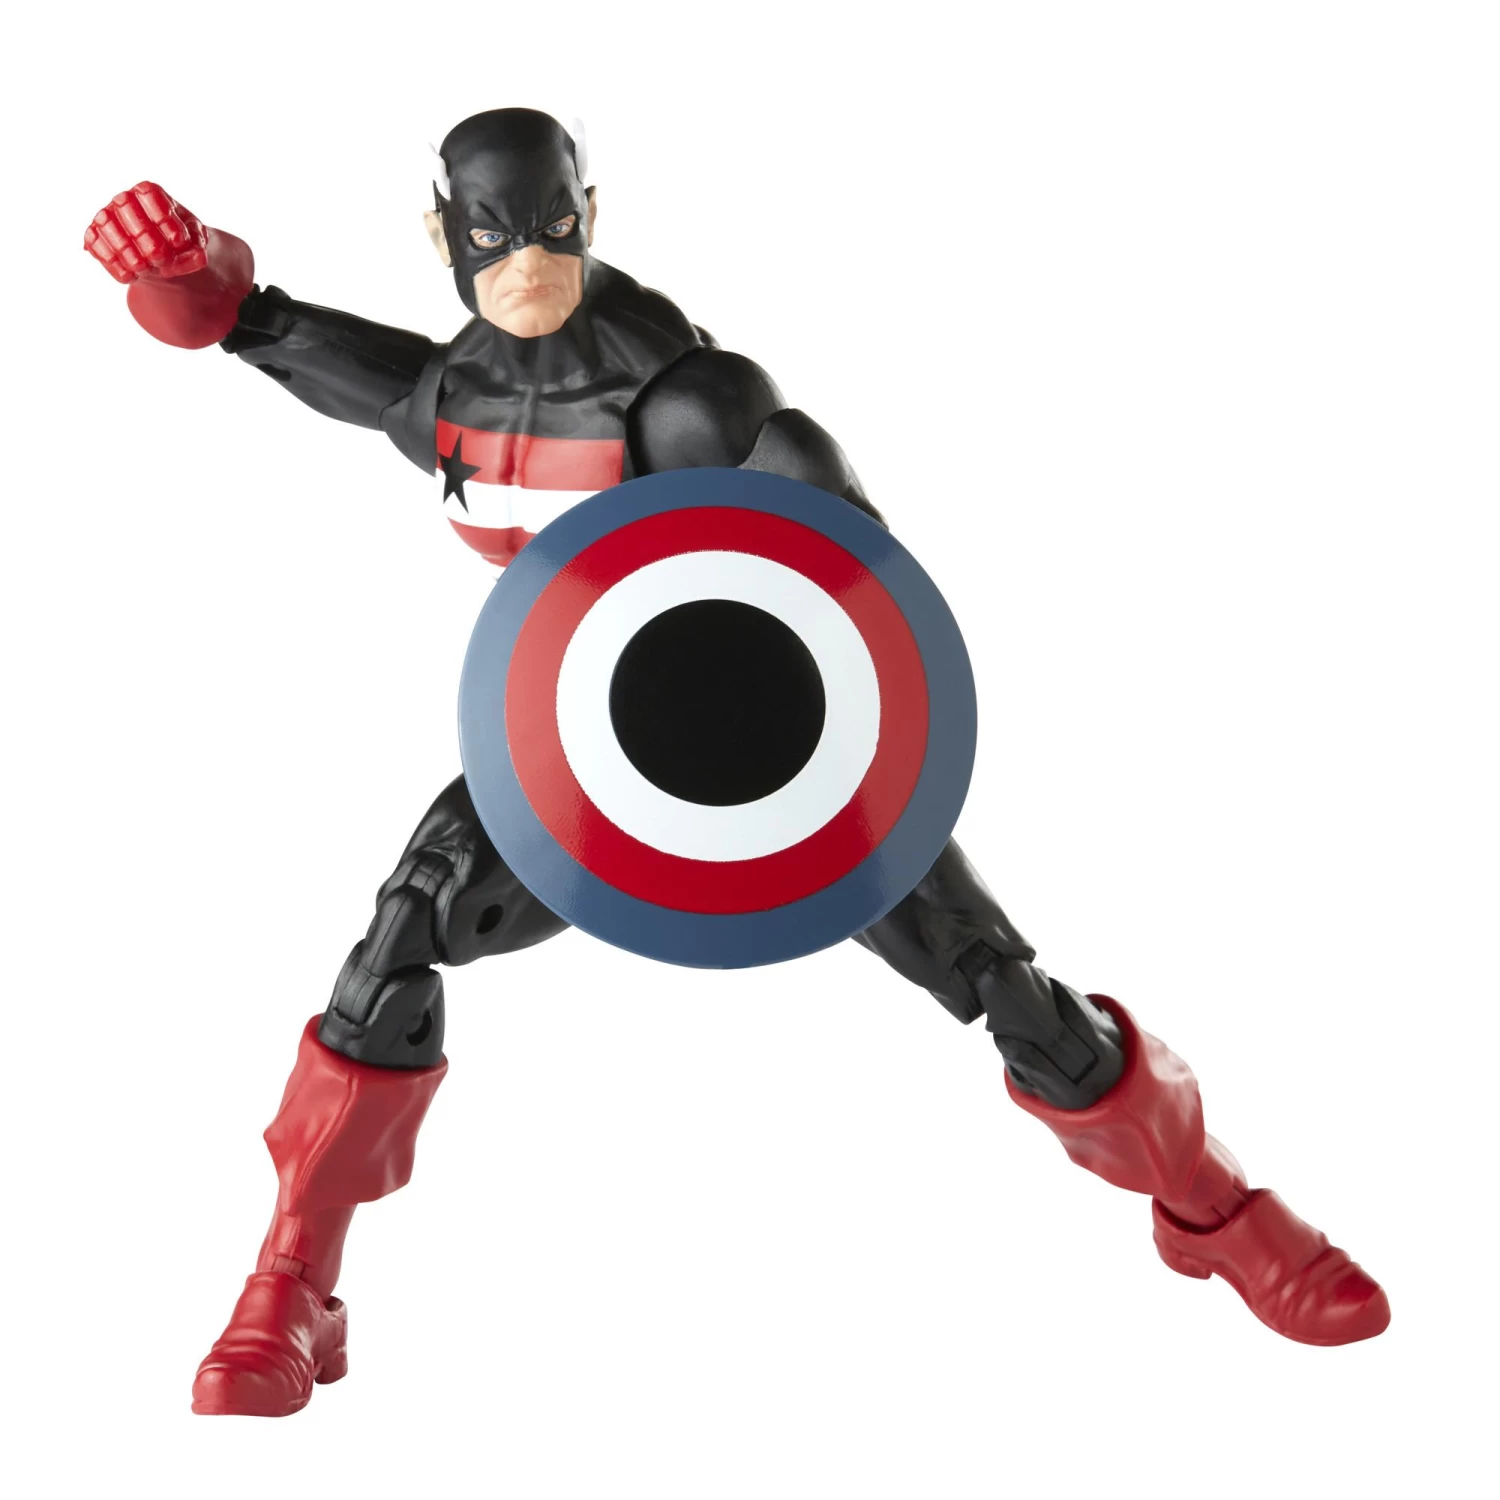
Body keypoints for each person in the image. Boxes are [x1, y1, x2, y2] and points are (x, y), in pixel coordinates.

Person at [85, 108, 1388, 1418]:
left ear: (591, 216)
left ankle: (1213, 1209)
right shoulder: (444, 398)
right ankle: (295, 1284)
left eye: (550, 227)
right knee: (395, 943)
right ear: (441, 238)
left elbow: (863, 589)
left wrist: (845, 744)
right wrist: (181, 265)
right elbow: (254, 328)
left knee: (1006, 988)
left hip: (786, 754)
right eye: (491, 236)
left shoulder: (688, 400)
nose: (526, 262)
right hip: (574, 753)